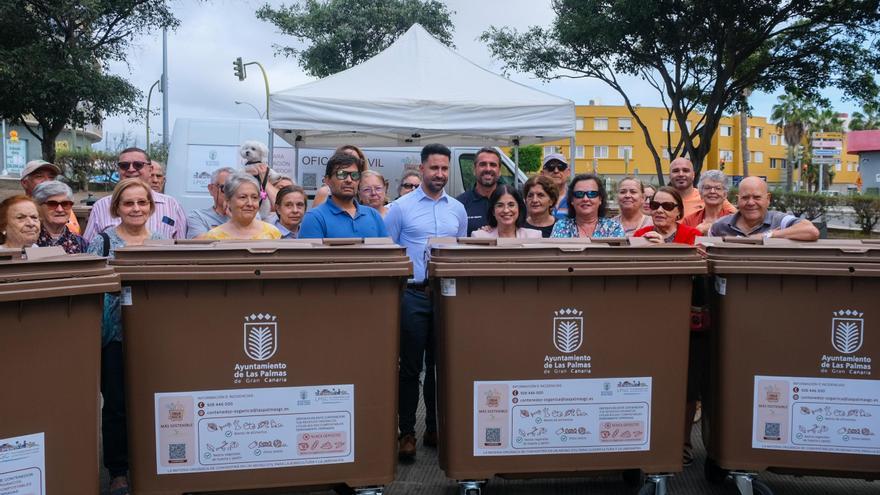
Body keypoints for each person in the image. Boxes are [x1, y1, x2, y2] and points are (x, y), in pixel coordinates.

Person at [384, 143, 467, 460]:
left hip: (445, 295)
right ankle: (406, 432)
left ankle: (435, 428)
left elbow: (458, 250)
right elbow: (391, 253)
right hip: (412, 295)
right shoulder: (400, 209)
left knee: (440, 365)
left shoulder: (456, 210)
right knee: (409, 368)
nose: (440, 174)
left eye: (445, 168)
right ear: (421, 169)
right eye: (434, 168)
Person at [86, 178, 169, 495]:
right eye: (129, 203)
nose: (136, 208)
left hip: (153, 337)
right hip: (115, 338)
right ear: (117, 207)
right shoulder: (103, 243)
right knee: (117, 405)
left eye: (142, 202)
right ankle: (118, 471)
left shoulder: (162, 241)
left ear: (150, 206)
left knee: (153, 402)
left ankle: (151, 463)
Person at [83, 147, 187, 242]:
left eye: (138, 165)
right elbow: (89, 249)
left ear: (150, 169)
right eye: (124, 165)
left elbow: (181, 250)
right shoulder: (100, 206)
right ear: (118, 169)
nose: (131, 169)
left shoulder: (172, 205)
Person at [299, 153, 388, 238]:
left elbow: (386, 253)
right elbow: (312, 254)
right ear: (327, 180)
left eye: (354, 175)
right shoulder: (314, 218)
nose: (349, 180)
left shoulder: (373, 215)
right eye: (341, 174)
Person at [710, 176, 820, 240]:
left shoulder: (780, 221)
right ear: (737, 200)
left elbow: (811, 231)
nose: (751, 202)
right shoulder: (720, 226)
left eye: (757, 197)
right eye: (745, 197)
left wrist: (768, 235)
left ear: (768, 199)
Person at [198, 172, 282, 240]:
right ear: (228, 201)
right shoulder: (214, 237)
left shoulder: (272, 233)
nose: (250, 203)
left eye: (254, 197)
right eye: (243, 197)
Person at [551, 174, 625, 238]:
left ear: (600, 199)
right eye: (579, 194)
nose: (585, 199)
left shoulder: (613, 228)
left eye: (592, 194)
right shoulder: (561, 226)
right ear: (572, 200)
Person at [19, 159, 80, 234]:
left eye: (51, 177)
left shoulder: (63, 207)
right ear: (25, 183)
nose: (47, 181)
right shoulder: (16, 211)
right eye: (39, 176)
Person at [456, 147, 502, 235]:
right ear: (474, 170)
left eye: (493, 165)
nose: (488, 169)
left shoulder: (511, 202)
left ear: (499, 171)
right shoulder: (460, 204)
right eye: (483, 164)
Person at [33, 181, 87, 253]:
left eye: (65, 204)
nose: (60, 209)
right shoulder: (28, 241)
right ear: (38, 207)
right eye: (52, 204)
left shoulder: (81, 243)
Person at [634, 186, 701, 245]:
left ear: (679, 210)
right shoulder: (640, 234)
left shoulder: (692, 235)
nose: (659, 210)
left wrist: (664, 247)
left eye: (667, 206)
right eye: (655, 205)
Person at [471, 184, 542, 239]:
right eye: (500, 205)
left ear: (519, 208)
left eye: (511, 205)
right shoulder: (479, 237)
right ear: (493, 211)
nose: (506, 210)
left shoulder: (534, 237)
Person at [682, 170, 737, 235]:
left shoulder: (735, 220)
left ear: (725, 194)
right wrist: (696, 232)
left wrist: (712, 229)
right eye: (707, 188)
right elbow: (682, 243)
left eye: (718, 188)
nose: (712, 191)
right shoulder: (689, 220)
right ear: (700, 193)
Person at [186, 167, 234, 238]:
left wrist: (236, 219)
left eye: (234, 188)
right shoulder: (199, 216)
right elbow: (198, 244)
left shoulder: (250, 215)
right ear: (211, 189)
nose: (230, 192)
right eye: (225, 188)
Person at [540, 153, 571, 219]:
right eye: (550, 167)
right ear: (542, 173)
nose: (556, 171)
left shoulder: (576, 197)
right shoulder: (534, 199)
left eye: (561, 167)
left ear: (568, 172)